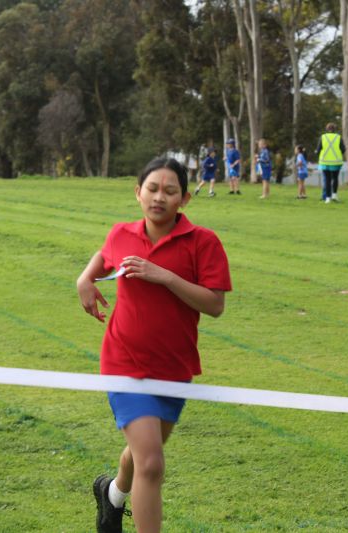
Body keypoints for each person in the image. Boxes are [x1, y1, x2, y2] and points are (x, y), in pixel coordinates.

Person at [76, 157, 232, 533]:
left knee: (143, 455)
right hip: (123, 360)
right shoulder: (122, 233)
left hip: (173, 367)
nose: (159, 197)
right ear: (138, 193)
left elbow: (214, 305)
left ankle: (112, 494)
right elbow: (105, 254)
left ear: (185, 199)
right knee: (151, 464)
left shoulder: (203, 242)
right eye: (152, 189)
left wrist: (165, 277)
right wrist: (85, 277)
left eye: (170, 191)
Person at [316, 122, 345, 203]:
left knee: (327, 180)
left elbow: (318, 149)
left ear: (327, 129)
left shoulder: (323, 137)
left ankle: (327, 198)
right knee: (335, 178)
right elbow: (343, 149)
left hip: (324, 162)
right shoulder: (338, 137)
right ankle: (334, 195)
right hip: (336, 161)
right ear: (334, 129)